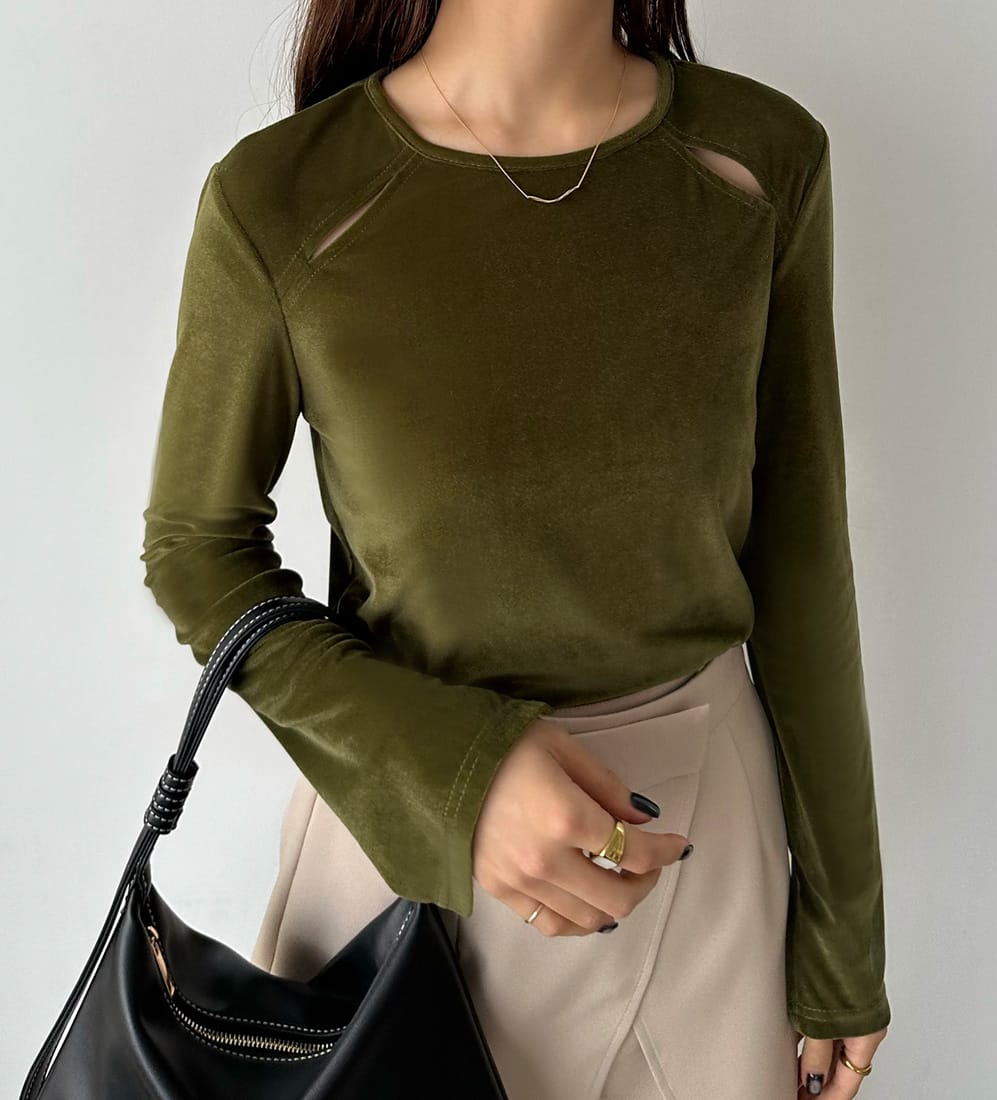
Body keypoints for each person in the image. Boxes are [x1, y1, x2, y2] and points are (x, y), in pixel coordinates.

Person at [140, 3, 891, 1097]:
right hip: (398, 877)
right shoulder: (283, 197)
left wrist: (843, 937)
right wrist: (454, 776)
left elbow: (800, 555)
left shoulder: (759, 162)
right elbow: (197, 549)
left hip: (700, 874)